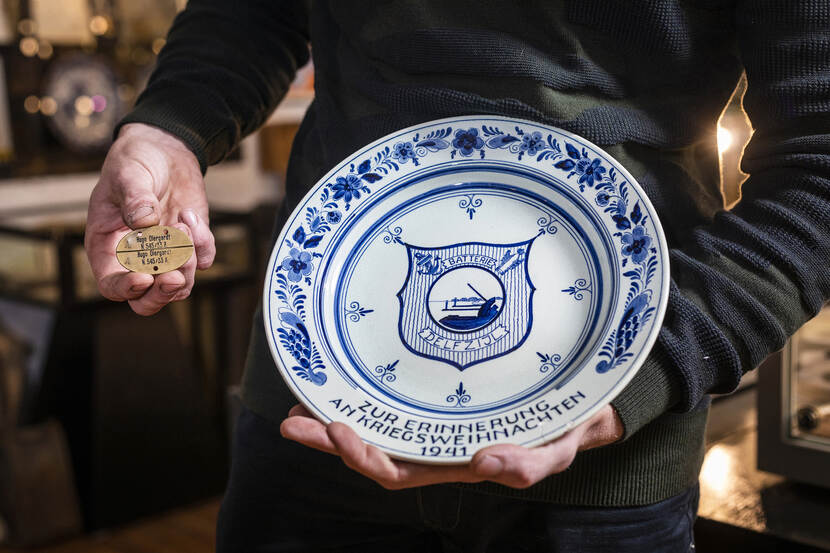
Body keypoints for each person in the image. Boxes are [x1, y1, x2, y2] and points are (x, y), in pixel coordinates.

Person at [84, 1, 830, 551]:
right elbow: (251, 12)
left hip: (604, 463)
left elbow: (819, 174)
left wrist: (641, 375)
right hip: (317, 407)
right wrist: (169, 127)